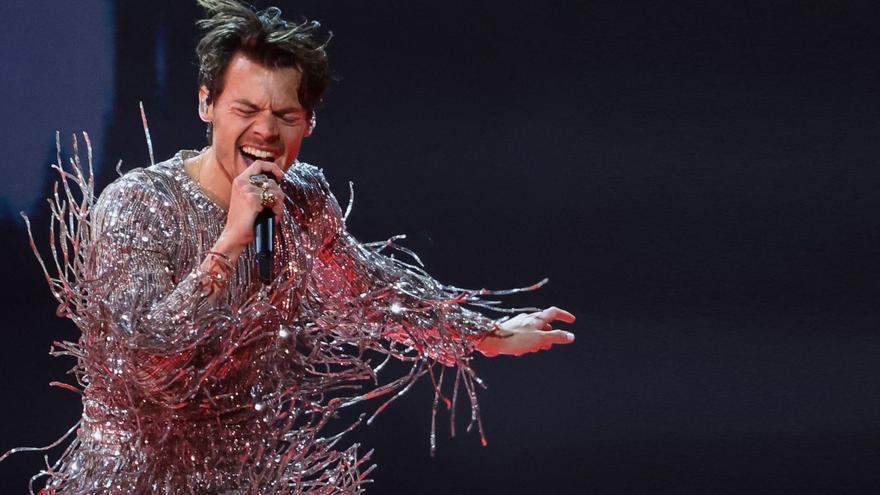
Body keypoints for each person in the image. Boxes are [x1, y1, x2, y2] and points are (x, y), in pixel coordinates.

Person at [22, 0, 575, 492]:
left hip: (245, 473)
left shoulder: (301, 197)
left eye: (285, 115)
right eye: (245, 110)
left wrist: (484, 335)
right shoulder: (137, 205)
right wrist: (232, 239)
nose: (266, 131)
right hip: (132, 477)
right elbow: (149, 359)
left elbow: (367, 292)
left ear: (307, 123)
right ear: (206, 105)